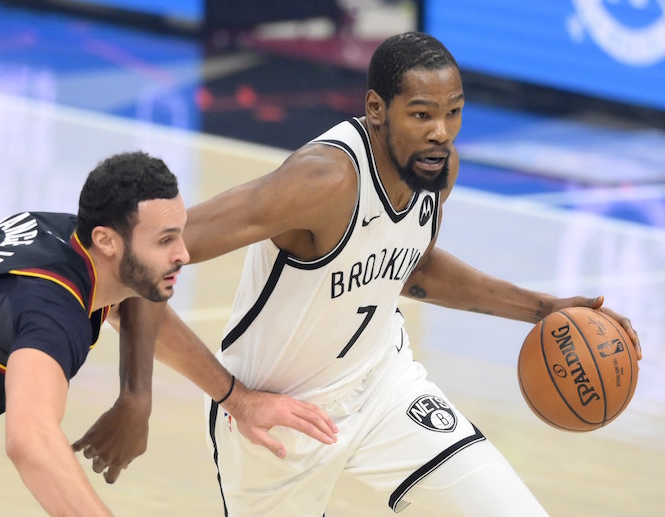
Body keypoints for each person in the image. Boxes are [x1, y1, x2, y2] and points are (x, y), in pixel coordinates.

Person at [149, 32, 643, 516]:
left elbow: (411, 264)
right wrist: (233, 397)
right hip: (281, 416)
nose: (441, 132)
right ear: (376, 109)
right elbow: (139, 263)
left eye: (454, 112)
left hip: (384, 387)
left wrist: (544, 308)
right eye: (422, 114)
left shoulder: (435, 168)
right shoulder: (323, 180)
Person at [0, 151, 338, 517]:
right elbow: (31, 441)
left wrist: (236, 400)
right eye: (165, 241)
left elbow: (137, 302)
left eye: (180, 233)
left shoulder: (69, 242)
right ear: (107, 241)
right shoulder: (50, 311)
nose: (184, 254)